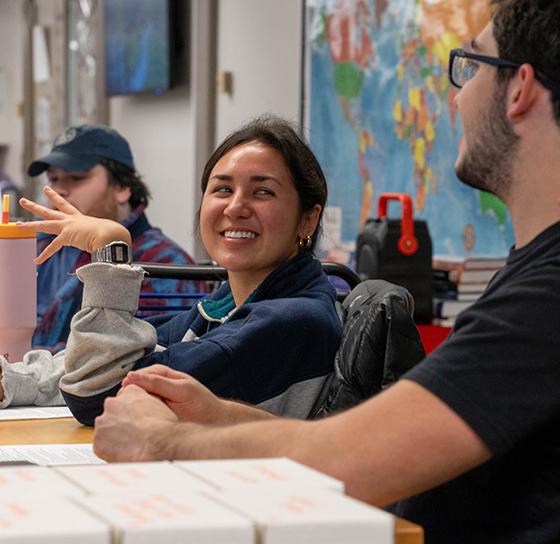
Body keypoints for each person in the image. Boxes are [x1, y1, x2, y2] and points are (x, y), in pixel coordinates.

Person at [91, 2, 560, 542]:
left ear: (520, 88)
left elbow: (352, 461)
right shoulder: (526, 275)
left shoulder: (546, 299)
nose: (456, 97)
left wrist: (161, 443)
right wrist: (221, 417)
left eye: (471, 67)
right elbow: (367, 445)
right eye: (220, 189)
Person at [0, 116, 341, 427]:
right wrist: (12, 380)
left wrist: (110, 250)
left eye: (263, 192)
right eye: (222, 189)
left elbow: (97, 393)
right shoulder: (224, 305)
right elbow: (124, 357)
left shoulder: (291, 319)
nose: (236, 207)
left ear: (308, 218)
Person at [27, 124, 207, 353]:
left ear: (123, 187)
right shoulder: (40, 247)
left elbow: (135, 359)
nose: (59, 190)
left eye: (76, 177)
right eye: (53, 178)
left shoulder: (164, 264)